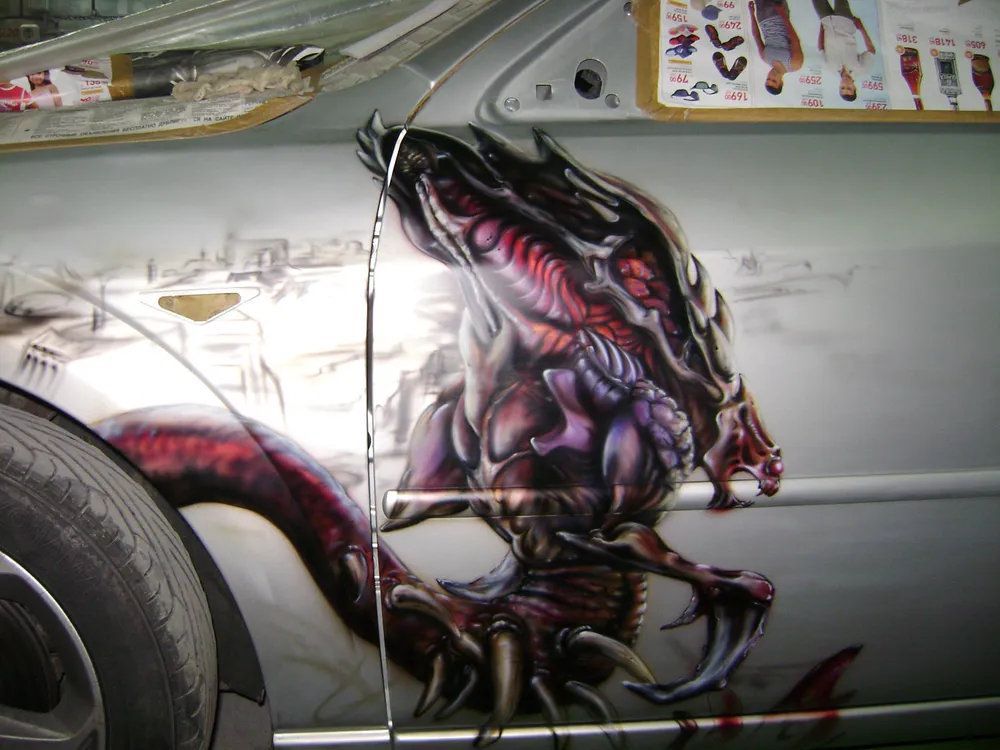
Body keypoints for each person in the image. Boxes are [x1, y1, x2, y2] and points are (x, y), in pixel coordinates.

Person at [812, 0, 876, 101]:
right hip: (845, 21)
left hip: (827, 22)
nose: (845, 84)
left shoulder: (829, 67)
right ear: (854, 87)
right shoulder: (861, 69)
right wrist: (861, 28)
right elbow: (871, 51)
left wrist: (822, 29)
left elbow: (821, 48)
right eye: (849, 88)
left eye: (842, 88)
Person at [749, 0, 804, 95]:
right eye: (774, 80)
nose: (772, 76)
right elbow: (795, 40)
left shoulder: (765, 58)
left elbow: (756, 36)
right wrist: (783, 14)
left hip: (761, 17)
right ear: (781, 83)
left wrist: (752, 14)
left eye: (768, 78)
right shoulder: (795, 64)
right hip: (778, 15)